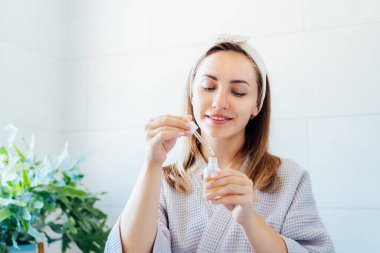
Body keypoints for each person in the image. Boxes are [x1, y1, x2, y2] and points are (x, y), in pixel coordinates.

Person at [105, 35, 335, 253]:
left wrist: (249, 220)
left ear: (257, 105)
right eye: (208, 87)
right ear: (192, 95)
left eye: (238, 92)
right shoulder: (164, 182)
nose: (219, 102)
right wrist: (152, 163)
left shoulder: (290, 178)